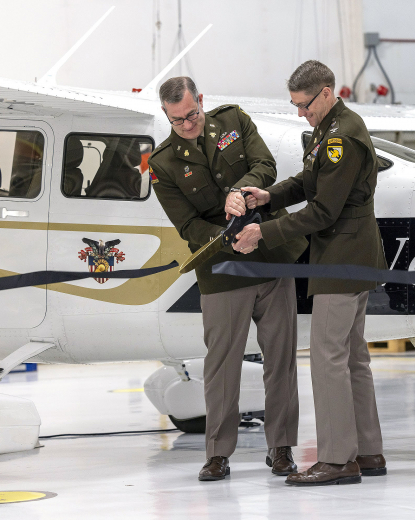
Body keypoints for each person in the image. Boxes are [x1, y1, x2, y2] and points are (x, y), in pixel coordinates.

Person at [231, 60, 387, 486]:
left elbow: (322, 210)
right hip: (350, 256)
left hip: (342, 257)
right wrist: (270, 193)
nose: (301, 113)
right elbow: (310, 181)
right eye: (295, 106)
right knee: (353, 357)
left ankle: (337, 459)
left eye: (305, 105)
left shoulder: (341, 138)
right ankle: (368, 451)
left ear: (326, 92)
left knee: (328, 357)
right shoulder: (330, 127)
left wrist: (263, 232)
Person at [148, 76, 308, 482]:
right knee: (221, 366)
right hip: (222, 268)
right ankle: (218, 454)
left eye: (192, 114)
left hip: (271, 257)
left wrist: (239, 191)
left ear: (201, 100)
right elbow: (187, 225)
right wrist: (230, 239)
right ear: (166, 115)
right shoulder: (163, 163)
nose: (188, 124)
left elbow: (265, 165)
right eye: (177, 120)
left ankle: (283, 449)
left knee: (281, 358)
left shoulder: (233, 119)